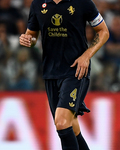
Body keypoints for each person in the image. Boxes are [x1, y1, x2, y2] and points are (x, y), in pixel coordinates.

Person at [19, 0, 109, 149]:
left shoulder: (83, 3)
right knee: (71, 128)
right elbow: (32, 35)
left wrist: (86, 56)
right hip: (51, 72)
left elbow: (103, 31)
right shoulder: (37, 4)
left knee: (61, 122)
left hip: (76, 70)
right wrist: (28, 39)